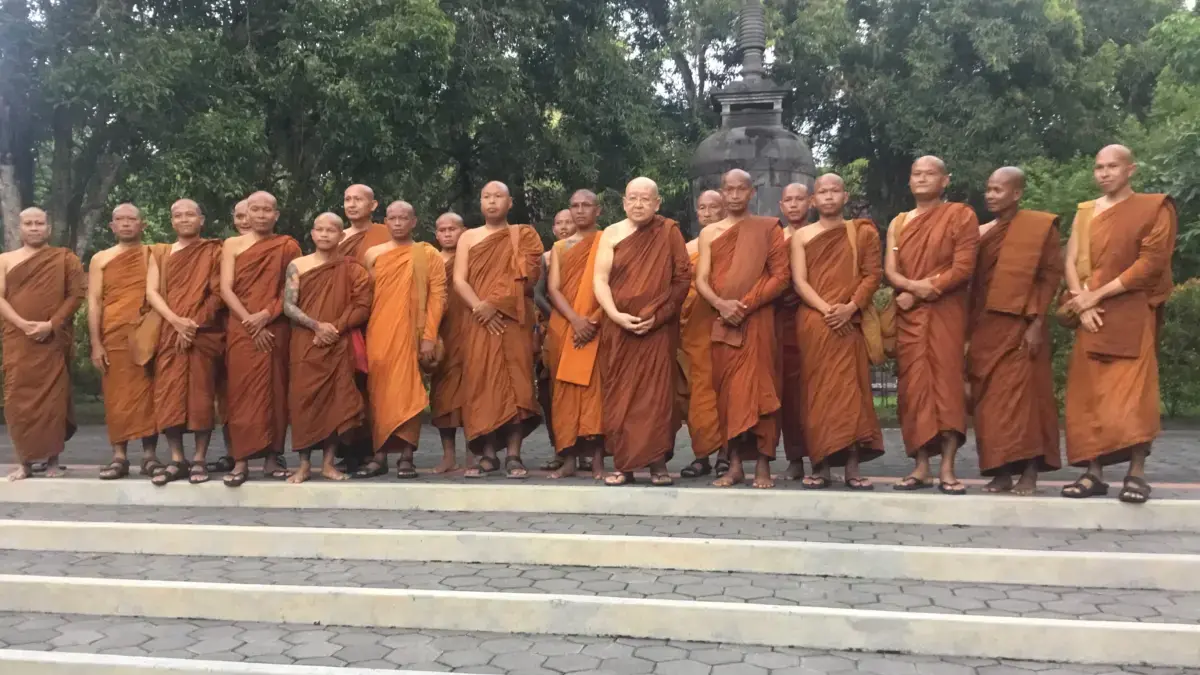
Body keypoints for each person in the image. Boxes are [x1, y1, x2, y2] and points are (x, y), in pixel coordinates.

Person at [1059, 145, 1177, 504]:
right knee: (1088, 399)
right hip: (1092, 319)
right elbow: (1071, 261)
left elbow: (1149, 264)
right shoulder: (1086, 212)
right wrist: (1081, 303)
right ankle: (1093, 473)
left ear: (1130, 170)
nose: (1104, 173)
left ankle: (1136, 474)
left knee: (1134, 399)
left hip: (1132, 313)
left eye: (1112, 166)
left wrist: (1096, 296)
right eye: (1099, 167)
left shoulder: (1154, 208)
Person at [885, 156, 979, 495]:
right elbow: (890, 270)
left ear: (945, 180)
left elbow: (964, 267)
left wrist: (926, 290)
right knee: (913, 390)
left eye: (930, 174)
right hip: (910, 317)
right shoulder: (899, 222)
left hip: (945, 312)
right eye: (917, 174)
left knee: (947, 387)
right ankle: (921, 466)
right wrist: (913, 289)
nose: (922, 179)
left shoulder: (961, 215)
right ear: (909, 180)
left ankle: (948, 468)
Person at [966, 168, 1063, 496]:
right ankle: (1001, 472)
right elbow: (974, 286)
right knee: (989, 405)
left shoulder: (1039, 228)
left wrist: (1036, 323)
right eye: (988, 189)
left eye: (998, 190)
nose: (990, 195)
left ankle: (1030, 472)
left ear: (1017, 193)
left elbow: (1049, 278)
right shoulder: (982, 233)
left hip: (1021, 327)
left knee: (1024, 403)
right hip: (985, 329)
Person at [695, 169, 790, 489]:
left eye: (741, 189)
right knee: (728, 395)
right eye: (729, 189)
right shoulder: (710, 233)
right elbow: (701, 280)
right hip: (723, 322)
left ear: (752, 192)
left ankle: (763, 465)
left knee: (762, 392)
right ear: (722, 192)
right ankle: (734, 465)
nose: (734, 195)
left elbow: (781, 276)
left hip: (758, 322)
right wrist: (721, 305)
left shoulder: (768, 228)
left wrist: (744, 306)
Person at [594, 177, 690, 486]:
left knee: (655, 396)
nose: (638, 204)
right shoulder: (611, 233)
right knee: (620, 395)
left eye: (646, 199)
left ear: (657, 203)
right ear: (624, 202)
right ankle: (624, 465)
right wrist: (615, 315)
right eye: (633, 198)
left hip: (657, 330)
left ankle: (657, 464)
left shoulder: (669, 231)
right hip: (619, 329)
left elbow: (682, 280)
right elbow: (600, 279)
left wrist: (659, 317)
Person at [790, 174, 885, 489]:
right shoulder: (802, 236)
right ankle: (820, 466)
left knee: (850, 391)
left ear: (845, 197)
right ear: (813, 200)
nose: (829, 196)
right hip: (815, 321)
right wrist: (827, 309)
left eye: (835, 191)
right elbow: (799, 281)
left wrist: (851, 307)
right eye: (822, 192)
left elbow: (872, 275)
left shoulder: (861, 232)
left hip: (849, 320)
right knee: (817, 392)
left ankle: (852, 468)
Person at [453, 181, 544, 478]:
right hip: (478, 320)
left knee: (518, 385)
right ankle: (488, 454)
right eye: (486, 197)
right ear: (480, 202)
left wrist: (494, 304)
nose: (492, 201)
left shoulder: (523, 235)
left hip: (513, 320)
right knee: (482, 384)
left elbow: (528, 276)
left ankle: (514, 455)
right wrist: (480, 307)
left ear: (510, 202)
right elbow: (459, 280)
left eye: (498, 196)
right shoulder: (468, 237)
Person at [219, 191, 301, 487]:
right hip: (241, 328)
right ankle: (241, 460)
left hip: (275, 325)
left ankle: (272, 458)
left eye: (268, 210)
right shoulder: (232, 245)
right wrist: (250, 321)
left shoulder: (288, 246)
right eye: (256, 209)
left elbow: (292, 290)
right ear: (247, 213)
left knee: (276, 392)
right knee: (241, 393)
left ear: (276, 215)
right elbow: (225, 289)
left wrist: (265, 315)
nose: (262, 215)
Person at [360, 201, 446, 479]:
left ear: (414, 221)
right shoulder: (373, 254)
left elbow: (438, 296)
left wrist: (429, 337)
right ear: (385, 221)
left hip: (413, 334)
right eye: (393, 218)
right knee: (379, 393)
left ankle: (407, 457)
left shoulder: (427, 254)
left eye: (403, 218)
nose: (398, 223)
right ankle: (379, 455)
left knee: (408, 393)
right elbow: (364, 295)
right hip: (378, 333)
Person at [283, 212, 371, 483]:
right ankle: (304, 465)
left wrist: (335, 328)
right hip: (305, 341)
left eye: (330, 230)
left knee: (336, 403)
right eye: (319, 229)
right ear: (312, 234)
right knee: (303, 402)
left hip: (337, 342)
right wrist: (316, 326)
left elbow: (362, 305)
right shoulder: (298, 265)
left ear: (341, 235)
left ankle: (329, 464)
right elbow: (288, 305)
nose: (324, 234)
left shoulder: (353, 269)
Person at [145, 199, 224, 485]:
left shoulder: (214, 251)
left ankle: (200, 458)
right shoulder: (161, 253)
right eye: (178, 215)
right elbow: (152, 292)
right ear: (171, 221)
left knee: (201, 397)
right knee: (168, 395)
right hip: (169, 331)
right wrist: (176, 322)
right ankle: (177, 459)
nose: (184, 219)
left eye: (190, 214)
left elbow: (218, 293)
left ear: (201, 219)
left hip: (202, 334)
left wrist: (192, 324)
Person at [1, 208, 85, 480]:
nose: (35, 228)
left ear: (48, 228)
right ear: (20, 228)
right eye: (29, 223)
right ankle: (23, 463)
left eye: (39, 223)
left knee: (53, 401)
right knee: (16, 400)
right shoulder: (5, 260)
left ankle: (52, 461)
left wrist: (51, 324)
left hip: (52, 341)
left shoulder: (64, 258)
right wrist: (23, 324)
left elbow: (76, 295)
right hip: (18, 341)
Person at [88, 204, 160, 480]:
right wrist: (96, 343)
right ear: (112, 226)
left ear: (143, 225)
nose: (126, 224)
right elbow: (94, 302)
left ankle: (150, 455)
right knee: (116, 396)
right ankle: (119, 456)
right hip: (114, 333)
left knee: (148, 395)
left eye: (132, 219)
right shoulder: (101, 259)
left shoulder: (153, 254)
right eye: (120, 219)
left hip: (146, 334)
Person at [546, 190, 606, 479]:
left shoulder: (608, 241)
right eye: (575, 206)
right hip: (565, 326)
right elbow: (553, 288)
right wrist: (575, 320)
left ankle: (597, 461)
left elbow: (613, 284)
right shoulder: (560, 247)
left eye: (586, 205)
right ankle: (568, 458)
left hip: (599, 324)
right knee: (565, 395)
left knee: (597, 395)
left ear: (598, 210)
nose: (580, 211)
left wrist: (593, 320)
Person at [335, 184, 391, 472]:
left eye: (359, 199)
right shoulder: (336, 235)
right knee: (347, 383)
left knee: (375, 384)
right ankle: (349, 450)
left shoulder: (386, 233)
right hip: (344, 318)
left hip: (379, 316)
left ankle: (376, 449)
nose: (352, 204)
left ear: (374, 205)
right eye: (347, 199)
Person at [679, 190, 727, 479]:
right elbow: (681, 289)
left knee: (727, 389)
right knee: (699, 392)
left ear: (724, 209)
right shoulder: (688, 249)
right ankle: (701, 456)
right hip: (695, 329)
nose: (707, 213)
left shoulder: (734, 244)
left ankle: (726, 454)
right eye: (702, 207)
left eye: (713, 207)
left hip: (727, 324)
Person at [207, 199, 253, 475]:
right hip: (226, 327)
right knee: (228, 395)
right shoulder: (222, 250)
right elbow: (214, 288)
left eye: (249, 214)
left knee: (266, 391)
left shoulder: (278, 247)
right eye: (239, 216)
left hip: (266, 326)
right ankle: (233, 452)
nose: (245, 220)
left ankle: (271, 453)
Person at [535, 208, 577, 468]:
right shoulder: (548, 257)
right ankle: (560, 450)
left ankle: (587, 450)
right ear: (553, 228)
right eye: (559, 223)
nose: (563, 227)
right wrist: (557, 319)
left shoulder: (595, 250)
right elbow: (539, 293)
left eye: (568, 222)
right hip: (555, 330)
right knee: (552, 391)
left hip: (586, 328)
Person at [429, 212, 470, 473]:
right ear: (436, 234)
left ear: (463, 231)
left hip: (469, 331)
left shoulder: (472, 257)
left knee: (472, 394)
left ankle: (473, 455)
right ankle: (448, 456)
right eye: (442, 230)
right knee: (443, 396)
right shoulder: (430, 260)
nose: (447, 234)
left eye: (452, 229)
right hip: (441, 333)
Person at [777, 182, 811, 481]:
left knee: (821, 388)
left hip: (818, 316)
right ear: (781, 206)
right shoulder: (775, 239)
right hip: (784, 321)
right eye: (788, 200)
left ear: (809, 202)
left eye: (800, 199)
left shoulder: (821, 234)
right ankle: (796, 457)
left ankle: (826, 455)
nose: (794, 204)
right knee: (790, 393)